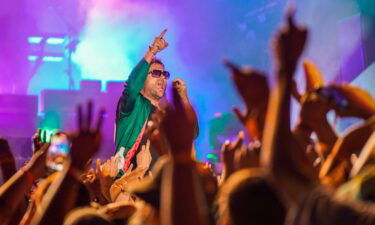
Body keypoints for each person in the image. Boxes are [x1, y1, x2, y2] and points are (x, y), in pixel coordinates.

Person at [114, 29, 198, 176]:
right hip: (130, 187)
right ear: (142, 82)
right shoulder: (134, 106)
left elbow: (192, 133)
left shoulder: (165, 114)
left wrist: (184, 98)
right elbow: (132, 86)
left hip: (162, 186)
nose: (162, 78)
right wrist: (152, 51)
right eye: (156, 73)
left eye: (164, 74)